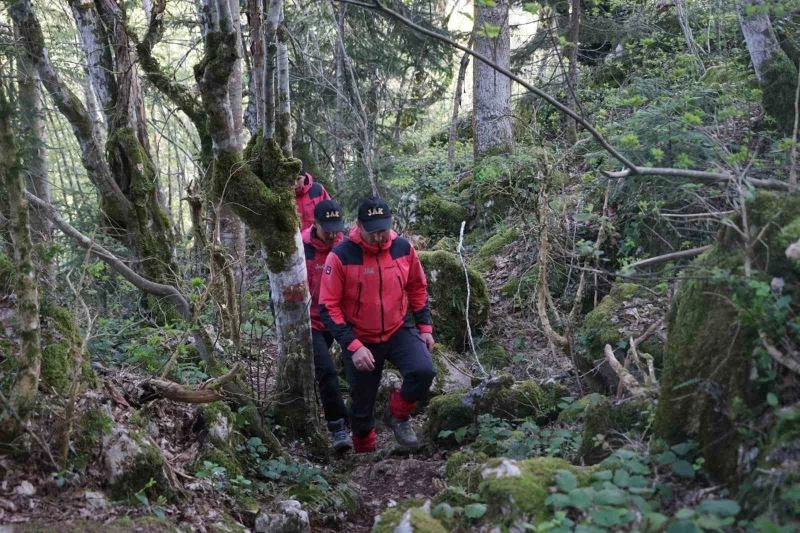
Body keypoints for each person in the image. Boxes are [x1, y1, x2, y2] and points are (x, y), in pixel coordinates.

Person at [319, 196, 436, 452]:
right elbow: (328, 305)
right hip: (360, 336)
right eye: (373, 232)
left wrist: (425, 327)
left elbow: (417, 287)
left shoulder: (403, 248)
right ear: (359, 226)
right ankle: (364, 457)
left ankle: (398, 414)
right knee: (361, 408)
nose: (379, 237)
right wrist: (352, 344)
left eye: (383, 230)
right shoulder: (341, 256)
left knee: (423, 371)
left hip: (398, 328)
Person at [303, 199, 352, 452]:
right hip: (311, 320)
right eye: (327, 228)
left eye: (336, 227)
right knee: (326, 370)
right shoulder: (301, 246)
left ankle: (360, 418)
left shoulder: (344, 245)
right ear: (315, 224)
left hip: (340, 318)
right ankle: (337, 426)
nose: (333, 233)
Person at [295, 164, 331, 231]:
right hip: (297, 238)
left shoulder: (317, 189)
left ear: (304, 177)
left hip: (317, 237)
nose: (295, 183)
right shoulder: (285, 196)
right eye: (291, 179)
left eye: (298, 178)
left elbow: (330, 212)